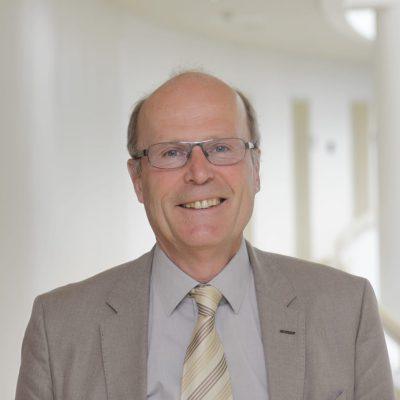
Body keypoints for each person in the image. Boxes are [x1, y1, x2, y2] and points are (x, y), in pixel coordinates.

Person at [15, 71, 395, 400]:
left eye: (221, 148)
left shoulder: (346, 311)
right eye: (171, 153)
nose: (199, 173)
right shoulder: (59, 328)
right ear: (138, 180)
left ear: (256, 169)